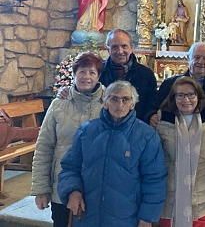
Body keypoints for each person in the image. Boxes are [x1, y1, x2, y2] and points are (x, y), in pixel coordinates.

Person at [57, 81, 167, 227]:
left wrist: (147, 217)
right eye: (114, 98)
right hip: (88, 215)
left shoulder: (147, 136)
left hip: (126, 218)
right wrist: (72, 190)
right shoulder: (87, 131)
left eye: (125, 99)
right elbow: (70, 167)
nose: (119, 104)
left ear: (133, 104)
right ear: (105, 102)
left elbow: (155, 179)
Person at [31, 53, 105, 227]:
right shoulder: (58, 105)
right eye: (82, 71)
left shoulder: (110, 104)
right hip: (62, 186)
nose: (86, 76)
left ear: (98, 76)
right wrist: (41, 189)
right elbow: (44, 147)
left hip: (97, 186)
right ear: (74, 73)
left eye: (92, 72)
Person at [156, 77, 205, 227]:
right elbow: (154, 165)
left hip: (203, 199)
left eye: (191, 95)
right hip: (170, 199)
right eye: (180, 95)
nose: (186, 100)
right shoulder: (162, 122)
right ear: (173, 98)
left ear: (199, 96)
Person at [148, 42, 205, 135]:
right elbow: (154, 105)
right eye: (197, 57)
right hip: (172, 137)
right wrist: (151, 115)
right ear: (188, 58)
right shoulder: (169, 84)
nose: (201, 62)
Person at [100, 29, 158, 122]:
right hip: (104, 124)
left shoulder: (146, 74)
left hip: (136, 127)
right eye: (114, 47)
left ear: (131, 48)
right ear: (108, 49)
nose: (120, 51)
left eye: (124, 46)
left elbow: (151, 103)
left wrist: (150, 116)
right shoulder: (98, 71)